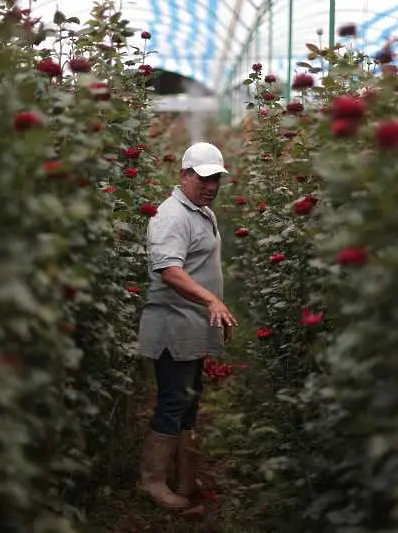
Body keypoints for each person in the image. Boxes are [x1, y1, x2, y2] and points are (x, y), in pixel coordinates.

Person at [136, 141, 239, 509]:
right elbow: (169, 271)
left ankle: (182, 476)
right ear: (185, 175)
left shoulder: (200, 212)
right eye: (205, 178)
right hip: (173, 326)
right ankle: (153, 481)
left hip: (192, 326)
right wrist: (211, 299)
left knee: (189, 398)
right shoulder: (172, 216)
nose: (212, 186)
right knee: (173, 398)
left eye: (217, 179)